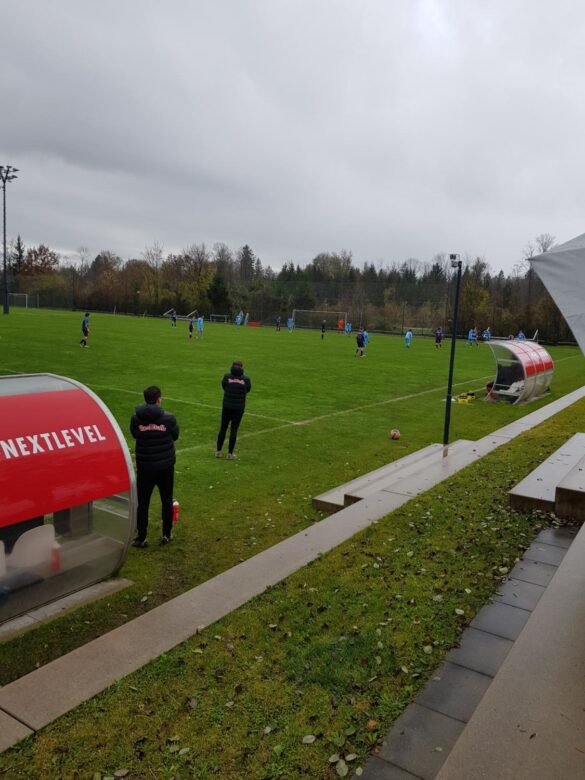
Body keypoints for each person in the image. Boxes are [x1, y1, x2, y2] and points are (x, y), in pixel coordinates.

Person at [130, 386, 180, 546]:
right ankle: (166, 534)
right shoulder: (169, 418)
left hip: (145, 467)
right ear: (159, 399)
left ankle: (142, 537)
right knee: (166, 499)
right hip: (165, 466)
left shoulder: (136, 418)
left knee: (143, 502)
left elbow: (134, 434)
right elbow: (175, 435)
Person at [215, 360, 251, 460]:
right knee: (234, 429)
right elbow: (247, 389)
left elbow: (224, 386)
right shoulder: (246, 379)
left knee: (223, 428)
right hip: (238, 408)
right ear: (242, 368)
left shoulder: (227, 377)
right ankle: (230, 454)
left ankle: (218, 451)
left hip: (227, 406)